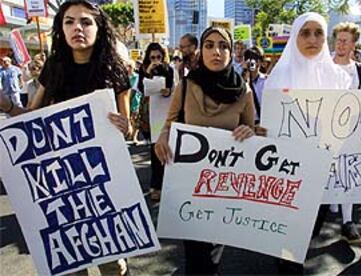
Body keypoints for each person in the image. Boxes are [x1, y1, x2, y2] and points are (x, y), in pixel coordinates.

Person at [264, 12, 361, 274]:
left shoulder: (339, 78)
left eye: (318, 32)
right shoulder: (278, 77)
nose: (312, 38)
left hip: (324, 174)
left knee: (310, 230)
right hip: (287, 172)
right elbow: (267, 126)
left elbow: (360, 119)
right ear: (295, 36)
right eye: (305, 32)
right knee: (288, 238)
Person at [0, 0, 131, 274]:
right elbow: (31, 116)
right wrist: (8, 106)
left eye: (86, 22)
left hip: (105, 178)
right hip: (63, 180)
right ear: (61, 28)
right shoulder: (54, 67)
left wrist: (124, 126)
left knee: (114, 263)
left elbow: (128, 127)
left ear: (99, 28)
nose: (77, 28)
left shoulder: (115, 69)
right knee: (73, 259)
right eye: (69, 21)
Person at [155, 26, 255, 275]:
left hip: (225, 188)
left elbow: (253, 131)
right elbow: (170, 124)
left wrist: (249, 133)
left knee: (213, 254)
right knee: (195, 254)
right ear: (202, 51)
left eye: (224, 46)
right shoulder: (187, 86)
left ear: (232, 53)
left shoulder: (244, 92)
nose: (216, 51)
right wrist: (163, 138)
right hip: (190, 186)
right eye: (209, 45)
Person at [331, 21, 361, 244]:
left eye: (345, 41)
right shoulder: (323, 65)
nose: (341, 44)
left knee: (348, 173)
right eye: (338, 40)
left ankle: (347, 222)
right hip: (323, 133)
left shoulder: (359, 70)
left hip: (349, 133)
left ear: (354, 44)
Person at [137, 42, 174, 201]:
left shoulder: (169, 69)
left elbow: (173, 87)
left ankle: (169, 184)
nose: (156, 60)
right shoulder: (144, 70)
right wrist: (148, 72)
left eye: (158, 57)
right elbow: (140, 88)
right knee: (154, 150)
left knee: (168, 148)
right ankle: (156, 186)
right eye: (152, 57)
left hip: (166, 112)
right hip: (152, 114)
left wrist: (168, 91)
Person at [242, 46, 267, 124]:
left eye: (255, 58)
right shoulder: (240, 82)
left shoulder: (267, 81)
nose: (252, 62)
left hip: (263, 122)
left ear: (260, 62)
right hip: (246, 124)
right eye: (248, 58)